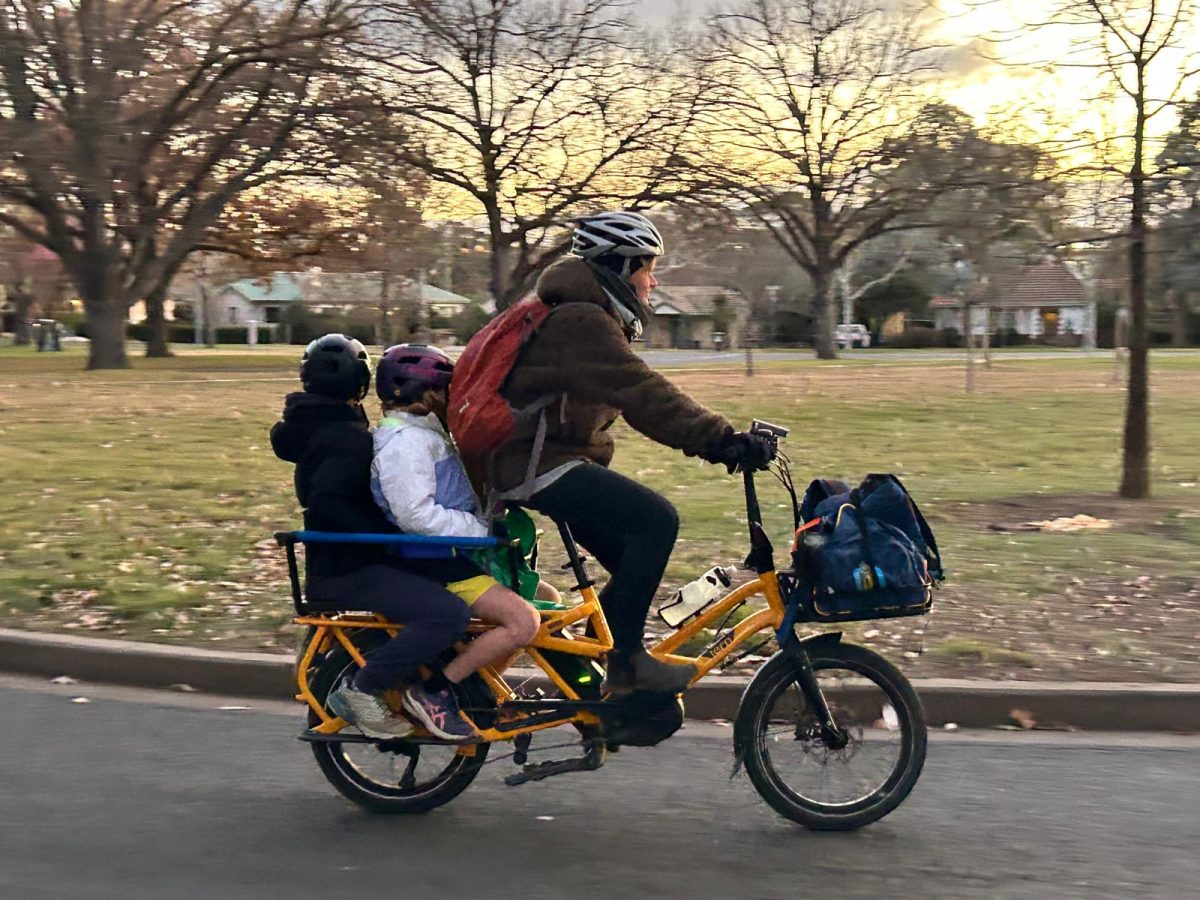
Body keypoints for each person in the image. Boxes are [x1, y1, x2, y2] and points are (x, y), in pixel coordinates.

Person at [487, 211, 774, 695]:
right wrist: (721, 441)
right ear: (620, 269)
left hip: (543, 462)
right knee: (656, 521)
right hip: (534, 464)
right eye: (645, 268)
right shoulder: (579, 320)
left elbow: (629, 396)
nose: (652, 280)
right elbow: (641, 391)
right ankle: (625, 667)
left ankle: (586, 681)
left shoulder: (580, 315)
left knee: (632, 559)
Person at [270, 334, 472, 741]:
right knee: (447, 613)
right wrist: (391, 536)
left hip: (352, 561)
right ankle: (360, 691)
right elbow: (329, 506)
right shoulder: (346, 438)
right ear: (362, 387)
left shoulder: (325, 430)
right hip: (350, 568)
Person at [371, 344, 543, 741]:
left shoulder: (424, 436)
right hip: (433, 564)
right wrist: (480, 531)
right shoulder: (404, 444)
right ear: (429, 393)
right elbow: (414, 514)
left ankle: (474, 687)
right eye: (452, 390)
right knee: (524, 621)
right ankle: (434, 692)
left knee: (541, 595)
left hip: (451, 556)